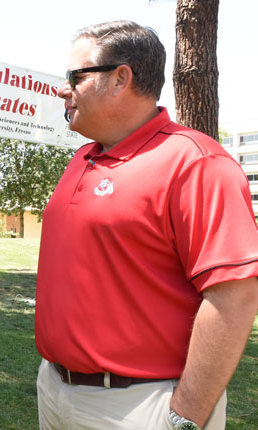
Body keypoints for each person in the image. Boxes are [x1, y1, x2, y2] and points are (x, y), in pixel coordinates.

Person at [35, 20, 258, 430]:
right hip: (55, 389)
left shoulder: (197, 164)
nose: (63, 89)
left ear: (121, 79)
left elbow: (236, 297)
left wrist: (185, 416)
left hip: (141, 407)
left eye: (75, 76)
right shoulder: (82, 158)